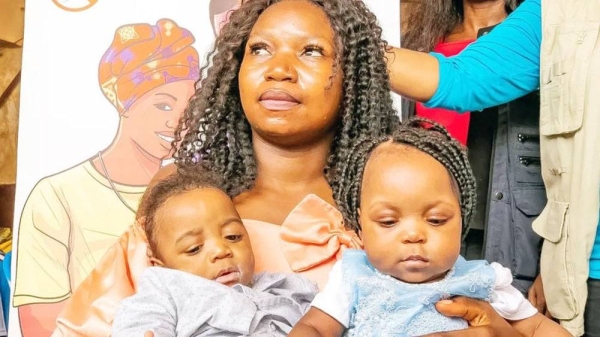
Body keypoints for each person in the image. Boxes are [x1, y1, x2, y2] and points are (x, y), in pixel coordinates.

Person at [52, 1, 528, 337]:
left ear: (354, 74)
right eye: (259, 49)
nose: (278, 68)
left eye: (310, 51)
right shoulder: (184, 202)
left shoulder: (392, 206)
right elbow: (94, 324)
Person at [386, 0, 599, 335]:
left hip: (525, 235)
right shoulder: (557, 14)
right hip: (443, 229)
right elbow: (460, 81)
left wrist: (554, 262)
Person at [290, 118, 569, 337]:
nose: (413, 235)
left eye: (435, 220)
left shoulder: (483, 281)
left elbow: (535, 329)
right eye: (388, 222)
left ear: (462, 218)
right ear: (360, 225)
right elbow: (315, 328)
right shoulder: (353, 276)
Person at [13, 18, 199, 337]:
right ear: (123, 101)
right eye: (163, 104)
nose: (177, 122)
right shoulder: (57, 196)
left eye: (190, 108)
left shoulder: (200, 195)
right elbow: (40, 326)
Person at [402, 0, 545, 298]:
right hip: (424, 225)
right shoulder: (419, 43)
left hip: (504, 230)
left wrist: (553, 264)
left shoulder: (534, 34)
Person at [112, 166, 317, 336]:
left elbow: (328, 318)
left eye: (233, 236)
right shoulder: (167, 290)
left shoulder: (284, 287)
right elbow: (140, 321)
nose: (221, 250)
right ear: (161, 265)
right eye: (194, 249)